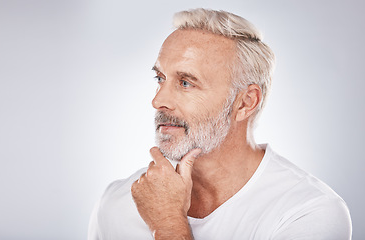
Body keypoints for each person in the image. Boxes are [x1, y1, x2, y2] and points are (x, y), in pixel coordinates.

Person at [88, 8, 352, 240]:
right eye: (160, 78)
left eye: (185, 82)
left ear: (245, 103)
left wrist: (168, 225)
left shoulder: (307, 212)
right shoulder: (117, 203)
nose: (158, 101)